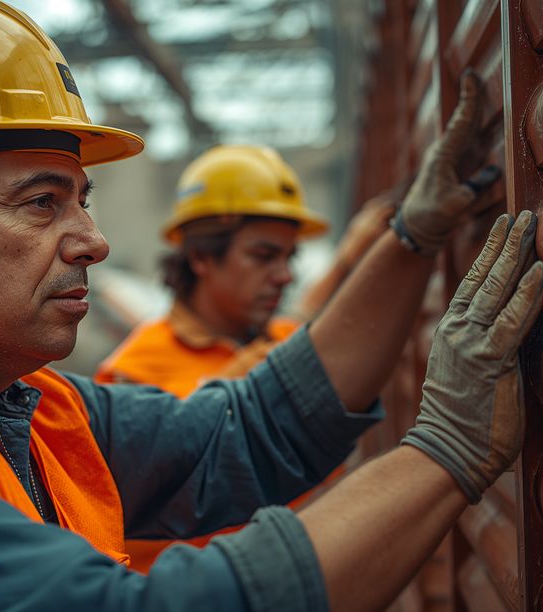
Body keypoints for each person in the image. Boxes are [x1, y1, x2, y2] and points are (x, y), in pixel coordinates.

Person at [0, 1, 543, 611]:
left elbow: (251, 430)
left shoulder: (24, 411)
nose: (93, 242)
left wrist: (411, 236)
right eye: (41, 203)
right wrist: (446, 447)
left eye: (81, 201)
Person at [93, 145, 394, 571]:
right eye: (264, 256)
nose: (285, 274)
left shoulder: (282, 338)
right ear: (200, 257)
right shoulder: (134, 374)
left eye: (290, 257)